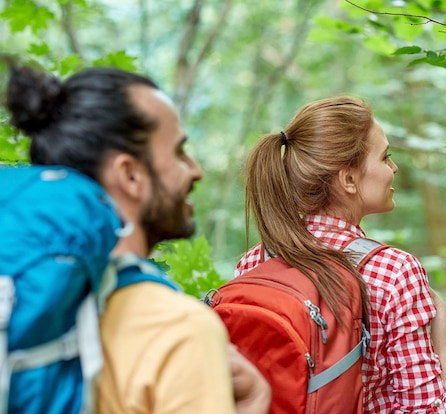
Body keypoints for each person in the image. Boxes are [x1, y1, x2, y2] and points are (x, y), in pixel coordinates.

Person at [4, 65, 270, 414]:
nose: (195, 170)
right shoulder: (176, 327)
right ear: (130, 175)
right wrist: (254, 402)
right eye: (178, 152)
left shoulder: (21, 298)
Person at [235, 96, 446, 413]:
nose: (394, 167)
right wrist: (441, 323)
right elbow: (426, 408)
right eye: (385, 157)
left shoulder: (253, 264)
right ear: (349, 179)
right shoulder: (394, 270)